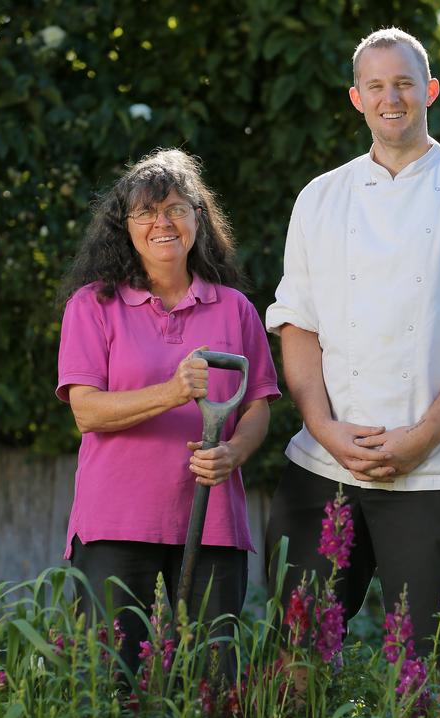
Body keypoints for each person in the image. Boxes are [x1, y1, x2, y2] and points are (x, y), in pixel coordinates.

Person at [265, 27, 440, 718]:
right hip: (324, 464)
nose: (391, 97)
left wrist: (421, 439)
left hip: (439, 466)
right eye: (375, 86)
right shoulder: (319, 199)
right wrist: (320, 425)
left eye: (405, 82)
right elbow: (298, 324)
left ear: (431, 90)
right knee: (298, 636)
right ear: (356, 99)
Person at [56, 148, 280, 675]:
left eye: (177, 208)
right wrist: (173, 390)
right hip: (115, 520)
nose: (163, 222)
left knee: (210, 682)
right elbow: (87, 412)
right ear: (125, 228)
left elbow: (259, 405)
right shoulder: (93, 305)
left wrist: (233, 452)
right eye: (146, 212)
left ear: (198, 220)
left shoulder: (235, 309)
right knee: (109, 681)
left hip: (212, 521)